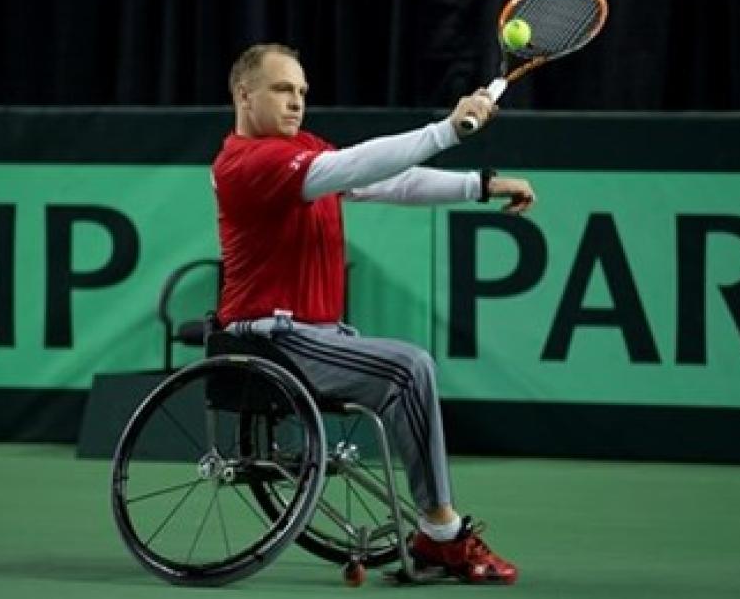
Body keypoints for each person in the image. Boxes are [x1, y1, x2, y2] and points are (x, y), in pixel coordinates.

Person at [211, 43, 534, 584]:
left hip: (316, 336)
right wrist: (448, 130)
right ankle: (442, 533)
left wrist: (478, 185)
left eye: (303, 92)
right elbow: (355, 165)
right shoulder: (245, 163)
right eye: (283, 89)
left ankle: (437, 532)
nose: (297, 103)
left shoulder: (304, 151)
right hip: (270, 339)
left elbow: (389, 181)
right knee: (409, 367)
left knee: (406, 370)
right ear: (244, 94)